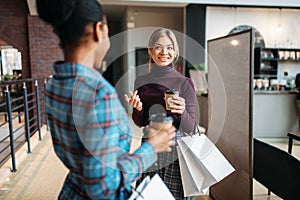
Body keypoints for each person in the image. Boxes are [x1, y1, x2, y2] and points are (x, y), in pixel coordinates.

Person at [36, 0, 176, 199]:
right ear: (98, 30)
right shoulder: (98, 94)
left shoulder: (55, 83)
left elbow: (90, 160)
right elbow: (102, 187)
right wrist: (152, 147)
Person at [125, 28, 197, 199]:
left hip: (176, 149)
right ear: (150, 50)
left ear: (175, 51)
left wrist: (182, 111)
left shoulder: (184, 82)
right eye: (158, 47)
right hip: (149, 145)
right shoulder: (141, 81)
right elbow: (141, 122)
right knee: (148, 195)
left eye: (169, 47)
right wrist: (137, 109)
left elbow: (191, 127)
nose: (164, 52)